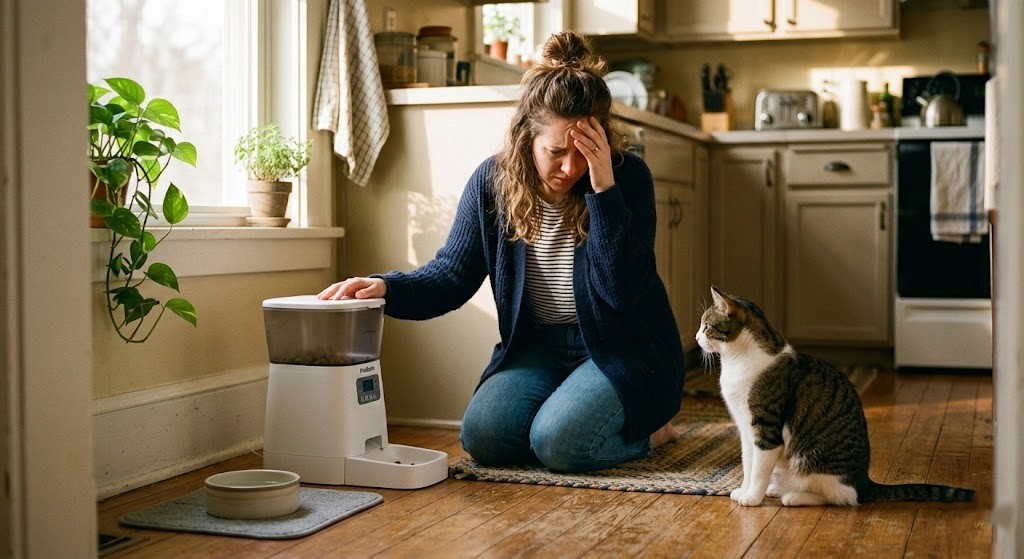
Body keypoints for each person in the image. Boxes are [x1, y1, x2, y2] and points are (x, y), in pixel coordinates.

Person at [319, 30, 685, 473]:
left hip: (621, 348)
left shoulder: (627, 180)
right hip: (539, 347)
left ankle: (649, 428)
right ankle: (576, 410)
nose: (570, 168)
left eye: (584, 152)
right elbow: (451, 275)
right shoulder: (492, 184)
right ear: (525, 138)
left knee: (560, 445)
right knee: (485, 438)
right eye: (555, 152)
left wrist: (603, 189)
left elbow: (622, 294)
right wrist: (385, 288)